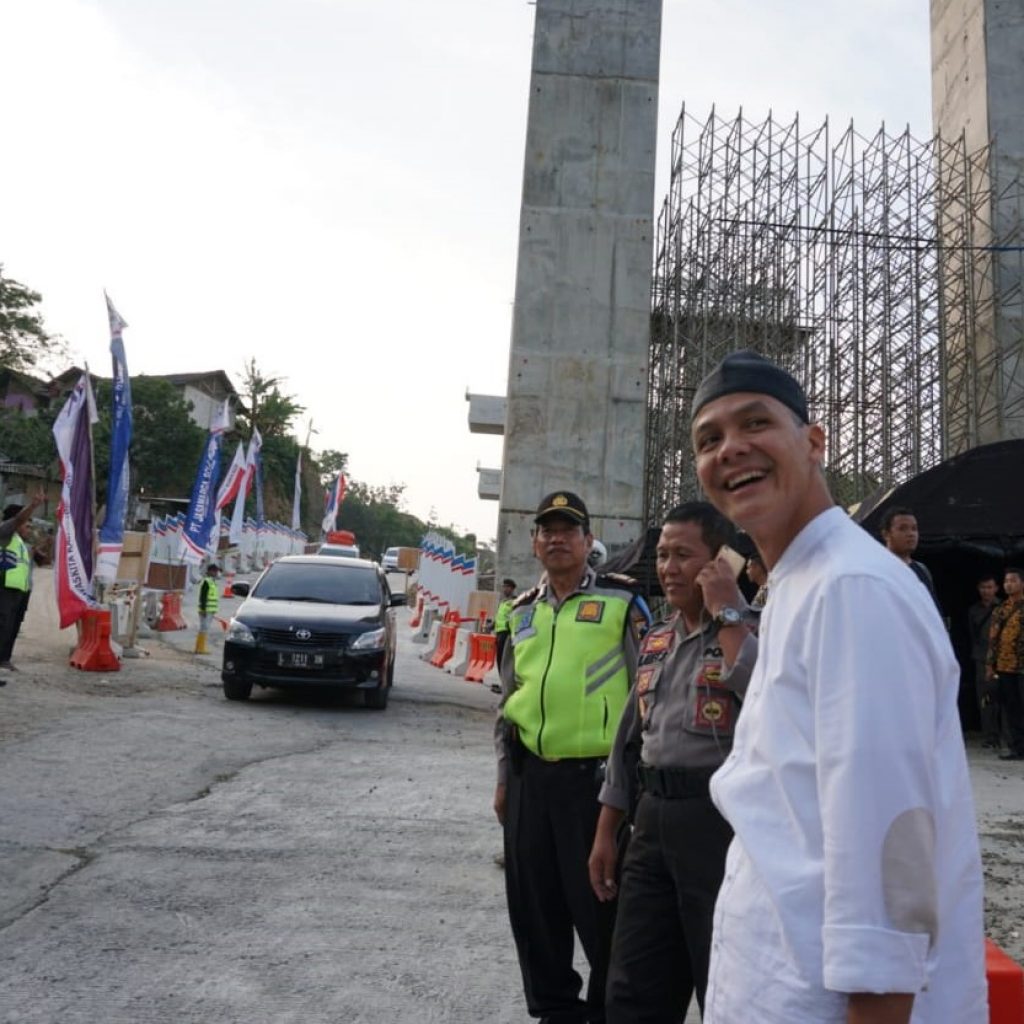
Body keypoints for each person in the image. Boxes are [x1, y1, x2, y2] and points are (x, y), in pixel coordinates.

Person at [689, 350, 986, 1023]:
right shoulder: (800, 583)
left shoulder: (852, 589)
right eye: (709, 440)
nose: (731, 449)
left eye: (755, 423)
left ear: (814, 442)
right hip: (780, 980)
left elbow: (888, 846)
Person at [589, 501, 756, 1022]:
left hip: (720, 828)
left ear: (719, 561)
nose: (668, 568)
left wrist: (729, 610)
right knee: (634, 984)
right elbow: (628, 741)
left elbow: (766, 696)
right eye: (663, 555)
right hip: (652, 820)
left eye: (684, 555)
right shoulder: (657, 638)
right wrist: (606, 831)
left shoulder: (755, 630)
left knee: (722, 979)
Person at [494, 491, 650, 1024]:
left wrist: (633, 789)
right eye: (547, 530)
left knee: (601, 907)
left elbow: (645, 700)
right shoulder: (520, 613)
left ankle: (608, 1012)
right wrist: (502, 781)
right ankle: (555, 1011)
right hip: (529, 780)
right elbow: (507, 700)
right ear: (534, 541)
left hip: (596, 785)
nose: (556, 538)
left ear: (588, 542)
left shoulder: (623, 602)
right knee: (534, 907)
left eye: (569, 529)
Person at [0, 491, 46, 675]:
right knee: (3, 625)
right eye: (25, 523)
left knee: (12, 626)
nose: (28, 526)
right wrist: (34, 505)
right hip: (5, 588)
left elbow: (43, 561)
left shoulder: (21, 542)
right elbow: (19, 519)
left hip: (21, 591)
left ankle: (5, 659)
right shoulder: (5, 533)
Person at [986, 568, 1024, 762]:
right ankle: (1017, 748)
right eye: (1007, 581)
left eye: (1014, 580)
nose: (1009, 584)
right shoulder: (1000, 609)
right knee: (1012, 708)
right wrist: (990, 665)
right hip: (1005, 666)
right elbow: (993, 639)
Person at [880, 506, 941, 610]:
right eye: (902, 528)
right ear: (886, 534)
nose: (911, 534)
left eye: (914, 529)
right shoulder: (877, 570)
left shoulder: (922, 570)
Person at [968, 574, 1000, 748]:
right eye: (983, 587)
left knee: (1007, 699)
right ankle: (990, 736)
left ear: (996, 588)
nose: (986, 591)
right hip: (981, 658)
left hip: (1003, 659)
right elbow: (973, 635)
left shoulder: (1004, 607)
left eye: (989, 587)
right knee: (985, 699)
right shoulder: (974, 610)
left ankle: (1011, 738)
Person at [196, 563, 220, 654]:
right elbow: (203, 597)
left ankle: (198, 648)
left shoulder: (212, 581)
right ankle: (200, 648)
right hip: (206, 610)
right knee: (204, 628)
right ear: (210, 571)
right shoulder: (207, 582)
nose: (217, 573)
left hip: (210, 610)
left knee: (204, 628)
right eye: (215, 571)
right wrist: (203, 609)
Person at [494, 577, 517, 661]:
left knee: (505, 658)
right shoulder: (503, 602)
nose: (504, 589)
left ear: (512, 589)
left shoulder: (515, 601)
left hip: (507, 633)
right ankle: (501, 674)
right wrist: (491, 625)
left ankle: (505, 674)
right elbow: (499, 617)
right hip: (499, 632)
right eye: (504, 587)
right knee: (499, 657)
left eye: (507, 587)